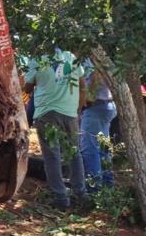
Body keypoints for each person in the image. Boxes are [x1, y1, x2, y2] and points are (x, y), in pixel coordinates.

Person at [24, 49, 86, 210]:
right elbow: (82, 83)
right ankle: (80, 193)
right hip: (69, 112)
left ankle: (61, 198)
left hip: (46, 113)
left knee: (52, 156)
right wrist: (79, 109)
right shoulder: (70, 57)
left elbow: (27, 88)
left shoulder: (37, 59)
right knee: (74, 153)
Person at [80, 61, 117, 190]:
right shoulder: (106, 54)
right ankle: (107, 184)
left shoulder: (92, 57)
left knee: (89, 148)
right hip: (107, 104)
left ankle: (94, 189)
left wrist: (87, 100)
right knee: (103, 147)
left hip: (96, 105)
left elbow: (97, 76)